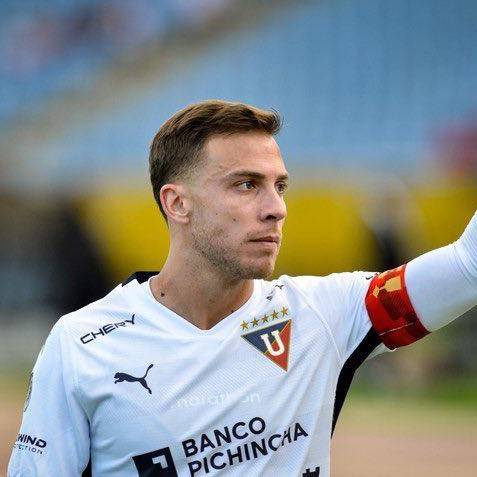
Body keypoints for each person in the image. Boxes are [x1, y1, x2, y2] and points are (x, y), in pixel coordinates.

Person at [8, 100, 477, 477]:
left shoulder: (324, 314)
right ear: (177, 203)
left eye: (280, 186)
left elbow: (467, 265)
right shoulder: (82, 344)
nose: (276, 209)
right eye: (247, 185)